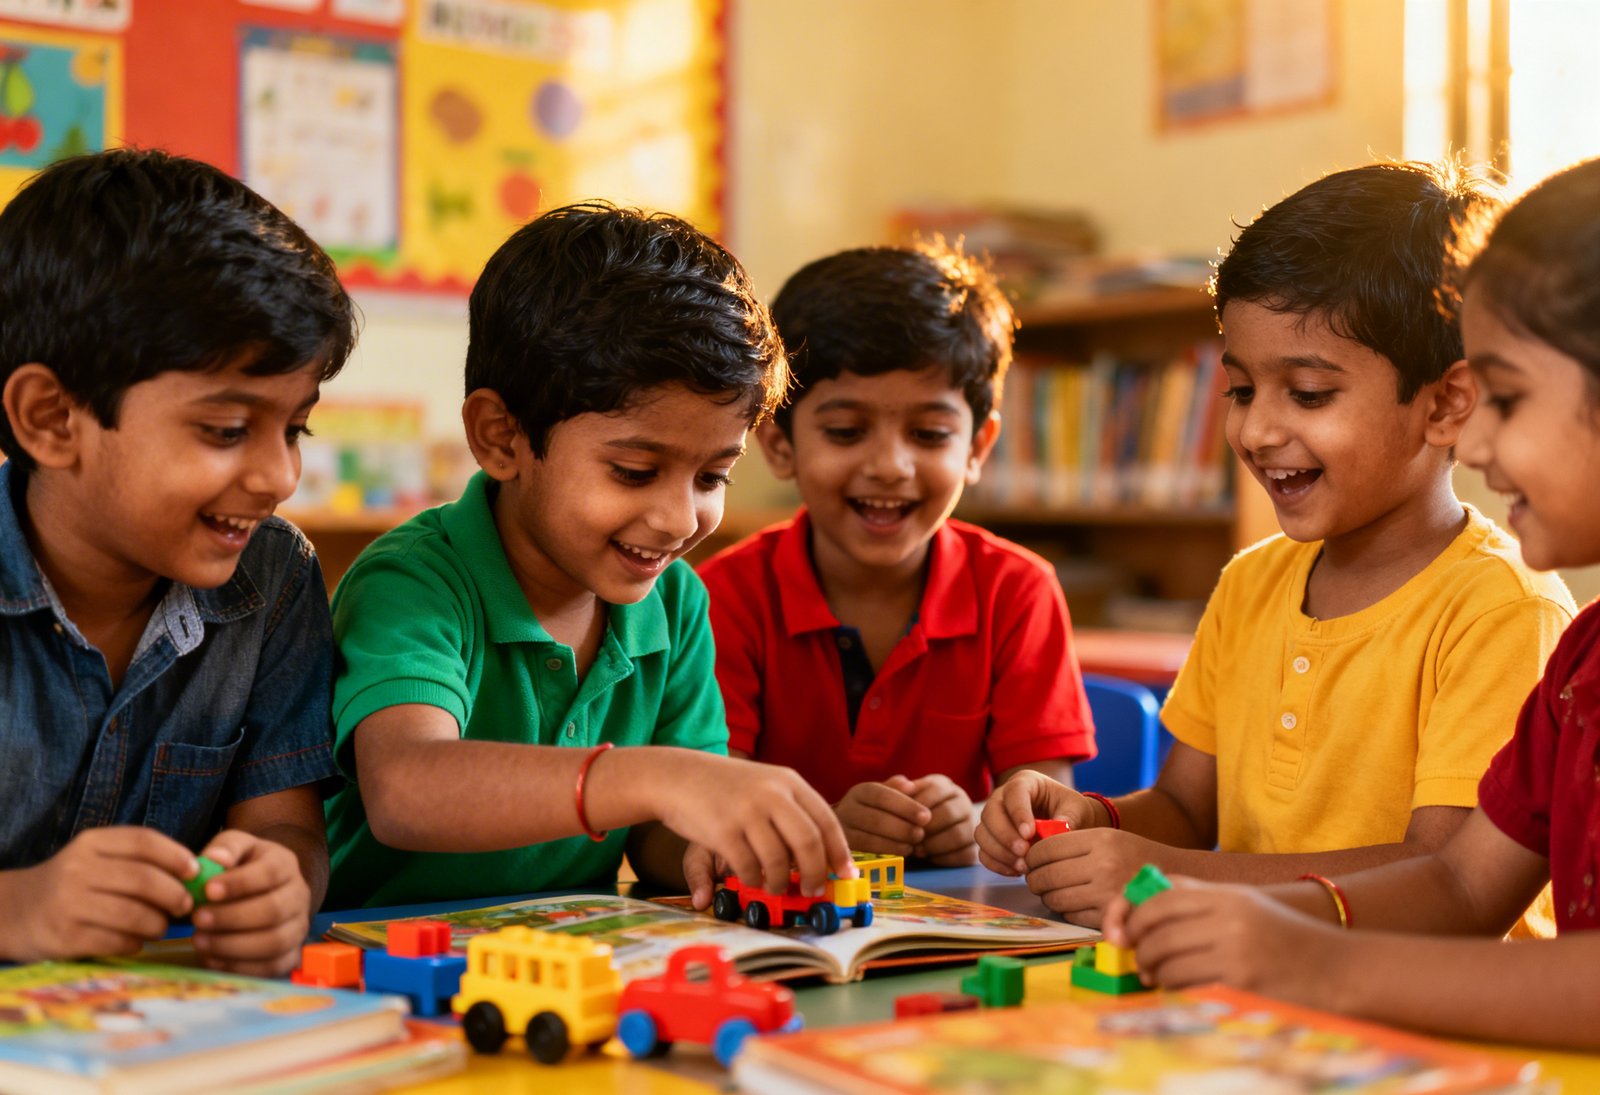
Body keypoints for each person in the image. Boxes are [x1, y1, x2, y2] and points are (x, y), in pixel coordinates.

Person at [978, 162, 1575, 927]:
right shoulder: (1250, 582)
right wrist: (1093, 822)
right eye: (1241, 389)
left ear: (1446, 404)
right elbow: (1185, 809)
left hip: (1430, 1014)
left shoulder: (1500, 611)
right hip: (1260, 987)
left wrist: (1167, 873)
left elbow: (1444, 874)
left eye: (1309, 393)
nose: (1257, 431)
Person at [1104, 156, 1600, 1052]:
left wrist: (1300, 950)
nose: (1477, 436)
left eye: (1511, 397)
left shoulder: (1509, 611)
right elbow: (1458, 884)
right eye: (1243, 390)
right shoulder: (1583, 664)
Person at [323, 201, 853, 910]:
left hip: (571, 960)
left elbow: (657, 841)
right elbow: (404, 788)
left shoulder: (674, 603)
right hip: (373, 966)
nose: (677, 519)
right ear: (501, 437)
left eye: (711, 476)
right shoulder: (416, 580)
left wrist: (714, 843)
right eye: (634, 471)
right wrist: (655, 778)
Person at [0, 149, 356, 974]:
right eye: (227, 430)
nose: (279, 476)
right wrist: (22, 908)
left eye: (295, 427)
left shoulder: (272, 580)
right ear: (52, 418)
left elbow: (284, 827)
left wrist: (282, 889)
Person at [700, 242, 1095, 867]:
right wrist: (828, 828)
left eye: (930, 434)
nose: (890, 466)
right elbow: (706, 814)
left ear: (978, 445)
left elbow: (1049, 809)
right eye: (846, 432)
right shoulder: (723, 597)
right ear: (778, 444)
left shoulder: (1018, 590)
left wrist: (974, 825)